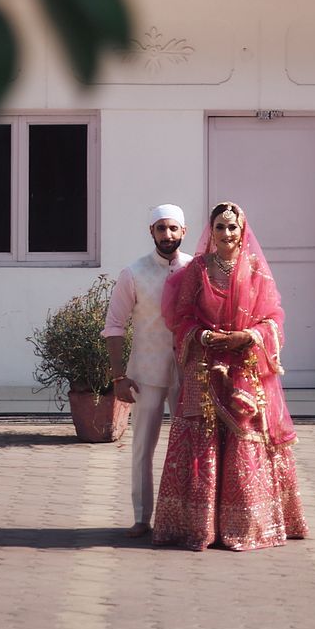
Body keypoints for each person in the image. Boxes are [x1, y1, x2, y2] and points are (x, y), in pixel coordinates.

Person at [152, 201, 309, 552]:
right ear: (211, 231)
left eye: (232, 227)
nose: (226, 234)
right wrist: (205, 336)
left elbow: (273, 318)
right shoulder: (198, 269)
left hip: (244, 366)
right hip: (206, 366)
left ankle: (249, 524)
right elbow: (182, 317)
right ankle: (199, 525)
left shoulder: (254, 269)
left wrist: (248, 337)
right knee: (203, 438)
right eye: (220, 227)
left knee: (245, 440)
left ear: (242, 231)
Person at [101, 203, 191, 537]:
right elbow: (114, 325)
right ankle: (142, 518)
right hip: (146, 374)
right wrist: (118, 377)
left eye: (172, 229)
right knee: (143, 448)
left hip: (188, 373)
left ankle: (188, 517)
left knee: (191, 447)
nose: (167, 235)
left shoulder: (196, 269)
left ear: (184, 231)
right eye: (160, 228)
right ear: (151, 232)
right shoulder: (134, 272)